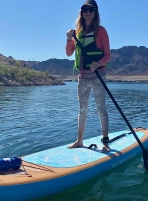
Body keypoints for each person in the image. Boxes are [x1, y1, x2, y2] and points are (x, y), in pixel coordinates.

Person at [65, 0, 111, 152]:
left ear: (95, 12)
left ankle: (105, 143)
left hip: (98, 75)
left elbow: (107, 55)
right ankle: (79, 141)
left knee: (101, 108)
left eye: (91, 9)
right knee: (82, 109)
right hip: (83, 76)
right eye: (85, 9)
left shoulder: (101, 31)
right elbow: (69, 53)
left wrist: (98, 63)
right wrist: (68, 39)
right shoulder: (77, 33)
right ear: (81, 12)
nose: (88, 12)